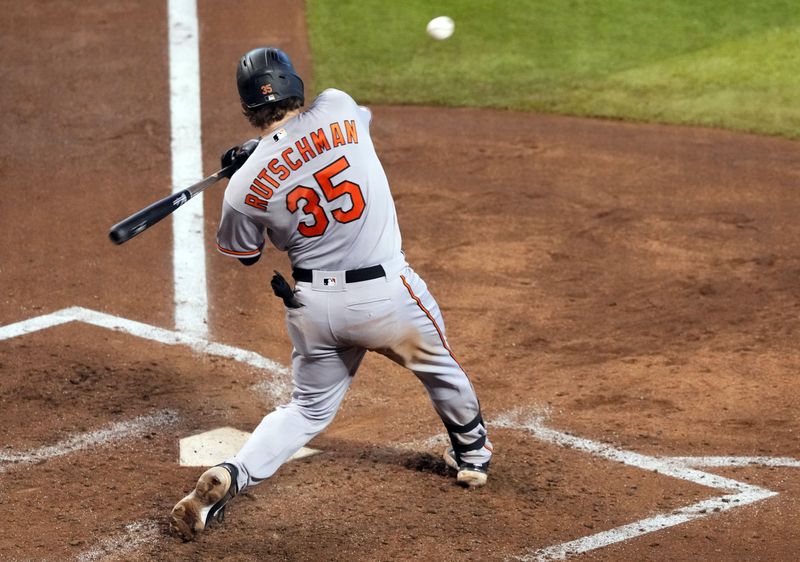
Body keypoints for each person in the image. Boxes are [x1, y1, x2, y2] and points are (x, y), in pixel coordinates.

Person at [169, 47, 493, 540]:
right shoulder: (339, 106)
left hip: (314, 307)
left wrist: (249, 168)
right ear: (295, 85)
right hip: (388, 298)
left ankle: (233, 473)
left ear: (247, 108)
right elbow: (315, 140)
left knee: (306, 410)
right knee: (438, 367)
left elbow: (246, 255)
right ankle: (472, 458)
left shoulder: (241, 190)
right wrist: (263, 152)